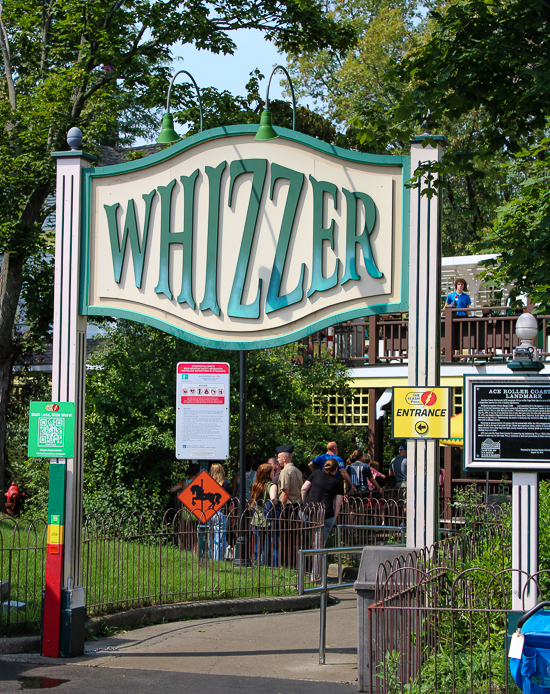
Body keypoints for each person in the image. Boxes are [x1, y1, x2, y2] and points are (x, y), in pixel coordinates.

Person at [301, 458, 344, 546]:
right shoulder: (338, 482)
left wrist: (305, 503)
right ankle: (318, 556)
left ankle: (311, 549)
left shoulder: (316, 474)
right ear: (336, 469)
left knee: (311, 540)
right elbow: (338, 503)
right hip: (326, 515)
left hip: (308, 512)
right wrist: (334, 518)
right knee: (320, 544)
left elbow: (303, 489)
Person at [249, 463, 278, 565]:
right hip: (267, 519)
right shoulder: (271, 485)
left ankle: (256, 564)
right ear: (268, 474)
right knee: (268, 544)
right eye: (272, 471)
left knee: (257, 545)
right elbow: (273, 498)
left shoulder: (255, 485)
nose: (274, 473)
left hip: (256, 518)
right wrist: (275, 503)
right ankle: (265, 565)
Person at [208, 463, 230, 560]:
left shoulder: (207, 483)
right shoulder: (225, 484)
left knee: (210, 539)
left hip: (209, 513)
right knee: (219, 540)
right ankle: (217, 561)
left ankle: (210, 559)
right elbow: (228, 500)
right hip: (221, 513)